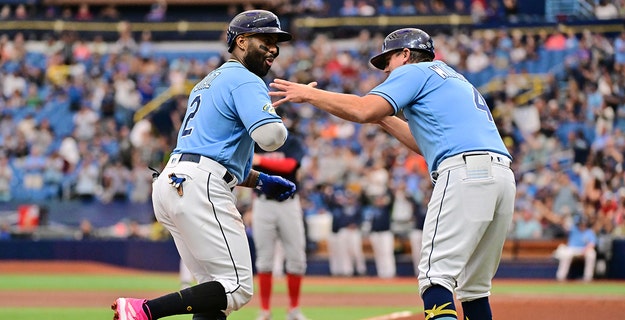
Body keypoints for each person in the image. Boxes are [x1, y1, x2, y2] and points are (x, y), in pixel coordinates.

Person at [269, 28, 516, 320]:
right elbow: (423, 143)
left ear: (406, 54)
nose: (386, 69)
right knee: (474, 288)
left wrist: (310, 94)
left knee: (434, 277)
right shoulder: (451, 77)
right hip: (500, 176)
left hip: (464, 173)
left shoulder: (413, 72)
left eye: (388, 60)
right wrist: (384, 119)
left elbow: (363, 110)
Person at [111, 9, 296, 320]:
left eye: (276, 42)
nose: (274, 48)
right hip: (201, 185)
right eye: (266, 40)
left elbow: (210, 151)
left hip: (175, 181)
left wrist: (260, 180)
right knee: (236, 288)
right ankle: (143, 310)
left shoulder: (207, 83)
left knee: (213, 293)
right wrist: (272, 114)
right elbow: (271, 137)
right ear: (241, 41)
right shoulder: (245, 79)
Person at [251, 108, 308, 320]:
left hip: (288, 203)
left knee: (296, 258)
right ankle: (265, 311)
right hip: (263, 203)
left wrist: (261, 161)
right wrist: (256, 160)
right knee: (264, 260)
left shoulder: (292, 142)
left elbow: (290, 164)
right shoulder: (258, 141)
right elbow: (248, 163)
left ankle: (294, 309)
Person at [554, 216, 597, 282]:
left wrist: (585, 250)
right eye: (581, 224)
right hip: (572, 249)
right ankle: (560, 277)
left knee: (592, 254)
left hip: (584, 250)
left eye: (584, 224)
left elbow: (592, 244)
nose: (582, 225)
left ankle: (588, 278)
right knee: (566, 254)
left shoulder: (589, 232)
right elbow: (562, 224)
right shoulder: (573, 229)